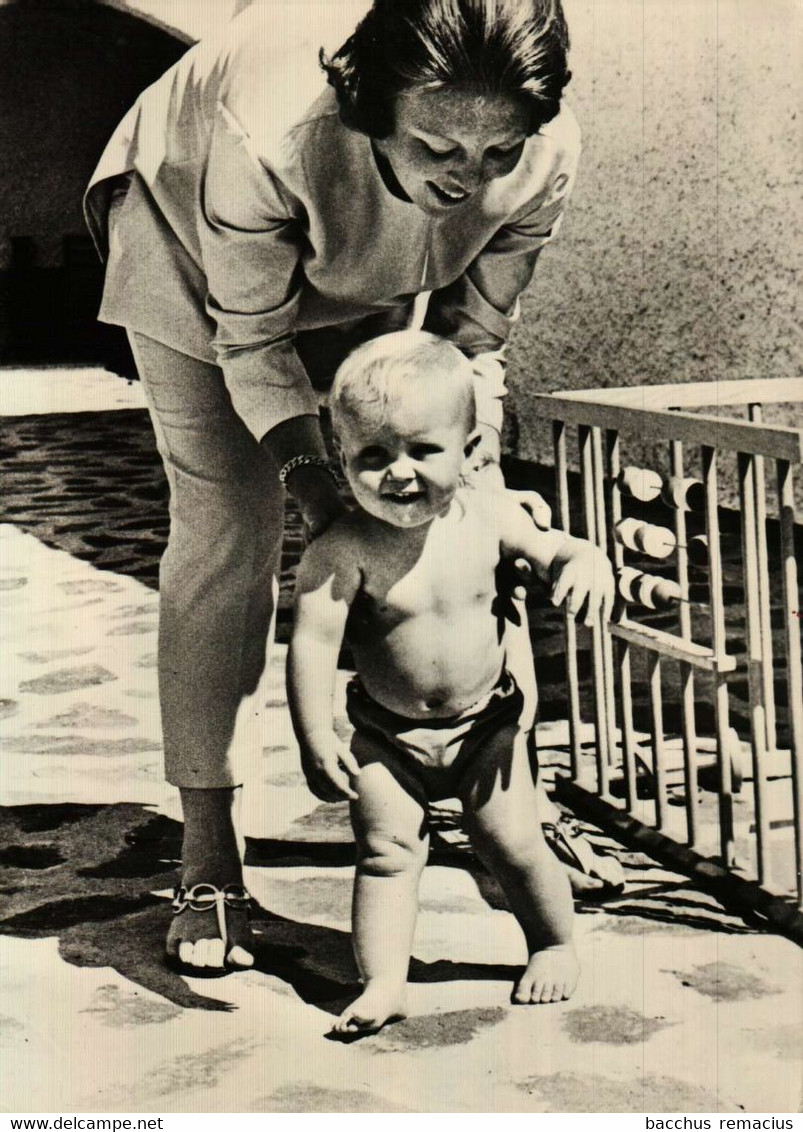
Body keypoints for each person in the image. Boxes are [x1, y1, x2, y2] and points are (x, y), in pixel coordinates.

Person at [84, 0, 581, 972]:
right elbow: (253, 343)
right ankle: (207, 860)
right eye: (437, 144)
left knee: (459, 520)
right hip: (189, 249)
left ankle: (504, 811)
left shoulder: (547, 147)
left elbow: (473, 345)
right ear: (373, 106)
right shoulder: (264, 133)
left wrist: (471, 492)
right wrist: (325, 496)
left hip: (354, 247)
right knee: (232, 519)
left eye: (496, 155)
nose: (465, 178)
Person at [288, 331, 615, 1034]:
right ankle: (384, 983)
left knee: (513, 843)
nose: (397, 473)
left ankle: (552, 943)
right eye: (371, 456)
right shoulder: (340, 550)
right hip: (384, 735)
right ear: (341, 460)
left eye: (421, 451)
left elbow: (554, 548)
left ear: (468, 455)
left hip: (484, 729)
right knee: (384, 855)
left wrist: (580, 559)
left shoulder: (489, 519)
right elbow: (311, 644)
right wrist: (315, 735)